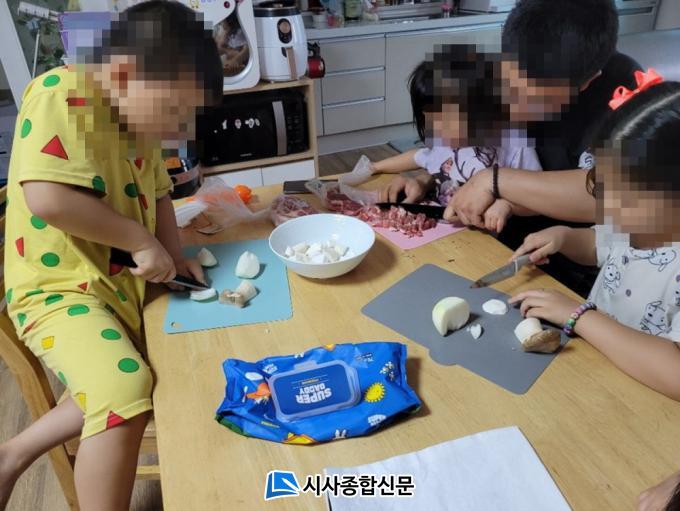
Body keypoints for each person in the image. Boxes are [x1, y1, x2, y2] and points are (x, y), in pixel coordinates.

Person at [0, 2, 222, 510]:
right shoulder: (62, 93)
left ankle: (11, 456)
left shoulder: (138, 126)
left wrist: (173, 255)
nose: (177, 128)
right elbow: (48, 198)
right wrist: (140, 241)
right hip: (56, 293)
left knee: (173, 359)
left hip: (116, 289)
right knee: (125, 386)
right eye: (174, 111)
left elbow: (161, 193)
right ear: (123, 73)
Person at [382, 0, 641, 295]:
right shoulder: (510, 60)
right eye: (510, 85)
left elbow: (616, 196)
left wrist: (494, 180)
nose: (512, 107)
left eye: (537, 99)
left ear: (587, 81)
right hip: (499, 238)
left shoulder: (627, 95)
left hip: (573, 263)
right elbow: (470, 144)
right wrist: (430, 176)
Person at [508, 80, 680, 402]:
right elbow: (598, 246)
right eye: (603, 190)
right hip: (594, 369)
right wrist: (564, 236)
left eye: (626, 199)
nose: (608, 208)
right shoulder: (642, 224)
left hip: (642, 402)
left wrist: (580, 316)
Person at [374, 45, 541, 232]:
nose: (439, 131)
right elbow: (418, 156)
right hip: (444, 233)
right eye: (431, 121)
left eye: (448, 121)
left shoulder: (513, 143)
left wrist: (507, 205)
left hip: (491, 238)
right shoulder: (443, 138)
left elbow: (539, 198)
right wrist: (374, 167)